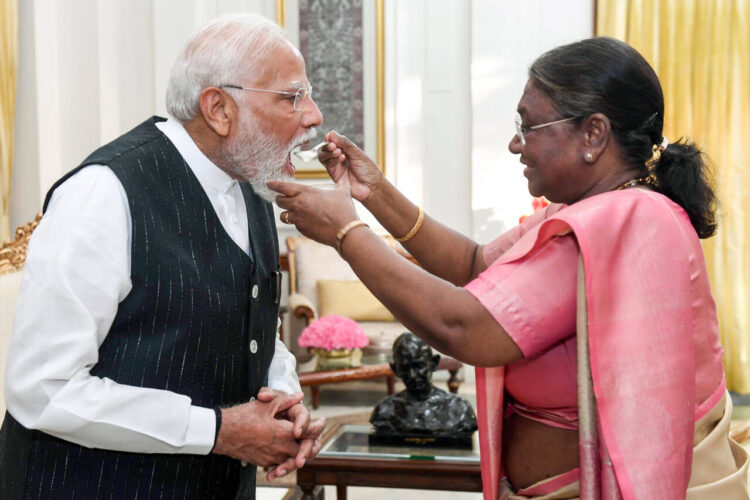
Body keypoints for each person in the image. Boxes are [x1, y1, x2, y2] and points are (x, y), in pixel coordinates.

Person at [268, 37, 750, 499]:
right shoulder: (583, 210)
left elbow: (464, 325)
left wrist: (346, 235)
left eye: (528, 126)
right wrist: (376, 193)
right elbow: (474, 264)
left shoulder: (628, 218)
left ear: (593, 133)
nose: (515, 145)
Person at [0, 13, 326, 499]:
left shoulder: (251, 185)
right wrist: (217, 430)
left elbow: (252, 325)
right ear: (218, 108)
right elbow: (42, 387)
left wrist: (282, 393)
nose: (314, 114)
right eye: (292, 96)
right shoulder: (105, 193)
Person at [370, 332, 477, 437]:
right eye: (404, 368)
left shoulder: (459, 408)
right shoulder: (385, 411)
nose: (412, 375)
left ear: (433, 364)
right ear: (395, 369)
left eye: (419, 366)